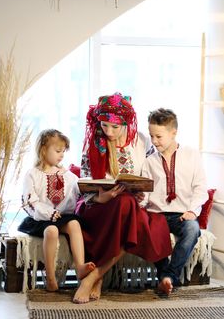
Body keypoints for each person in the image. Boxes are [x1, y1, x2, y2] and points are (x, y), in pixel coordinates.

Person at [75, 92, 172, 303]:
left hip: (129, 205)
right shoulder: (92, 143)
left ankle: (94, 276)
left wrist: (141, 194)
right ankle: (96, 277)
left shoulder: (141, 141)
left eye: (115, 127)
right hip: (98, 205)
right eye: (104, 125)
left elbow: (149, 174)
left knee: (127, 205)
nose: (108, 132)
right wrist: (101, 198)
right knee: (126, 209)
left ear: (126, 123)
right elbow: (84, 183)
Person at [18, 129, 95, 303]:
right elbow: (31, 202)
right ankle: (51, 278)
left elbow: (82, 193)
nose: (61, 155)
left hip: (62, 216)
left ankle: (80, 267)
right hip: (40, 218)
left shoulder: (68, 176)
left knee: (74, 224)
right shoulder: (33, 174)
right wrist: (48, 213)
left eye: (63, 152)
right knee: (51, 231)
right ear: (43, 150)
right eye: (57, 151)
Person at [142, 108, 208, 295]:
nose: (154, 141)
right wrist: (139, 201)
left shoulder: (192, 155)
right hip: (156, 215)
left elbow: (200, 188)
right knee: (146, 230)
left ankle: (168, 277)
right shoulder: (149, 162)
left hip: (182, 214)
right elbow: (145, 195)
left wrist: (193, 211)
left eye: (159, 136)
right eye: (151, 136)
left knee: (192, 229)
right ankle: (167, 278)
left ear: (173, 132)